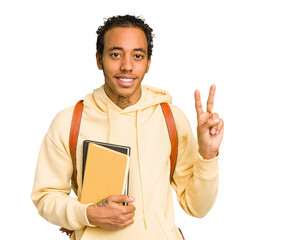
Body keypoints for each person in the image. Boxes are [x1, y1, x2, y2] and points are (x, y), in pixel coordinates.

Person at [31, 14, 224, 240]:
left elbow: (197, 207)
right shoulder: (70, 121)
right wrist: (88, 214)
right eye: (116, 54)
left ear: (148, 63)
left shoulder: (170, 118)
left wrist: (208, 154)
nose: (127, 66)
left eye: (138, 56)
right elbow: (45, 197)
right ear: (99, 59)